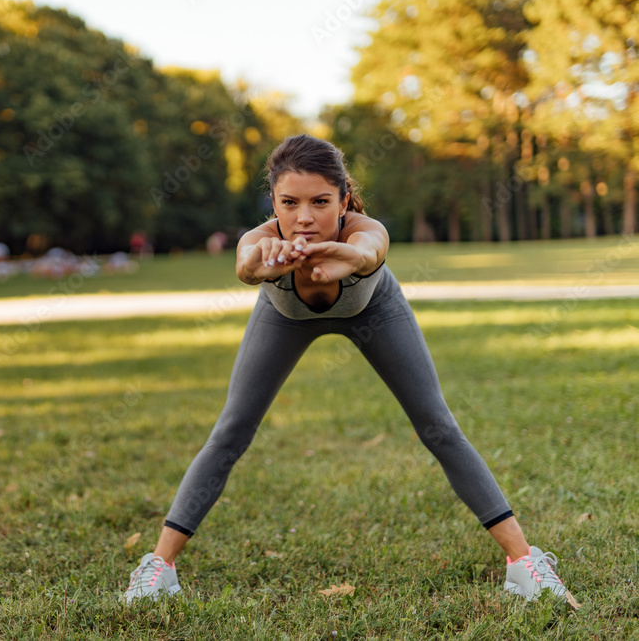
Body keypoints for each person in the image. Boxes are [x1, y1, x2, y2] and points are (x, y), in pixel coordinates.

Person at [123, 134, 577, 608]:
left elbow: (370, 250)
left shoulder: (364, 230)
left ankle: (524, 565)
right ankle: (160, 568)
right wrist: (261, 266)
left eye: (320, 202)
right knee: (232, 429)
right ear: (273, 203)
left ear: (343, 200)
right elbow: (245, 265)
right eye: (289, 203)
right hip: (284, 316)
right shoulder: (264, 241)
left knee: (438, 425)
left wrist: (349, 259)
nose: (304, 217)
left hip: (375, 311)